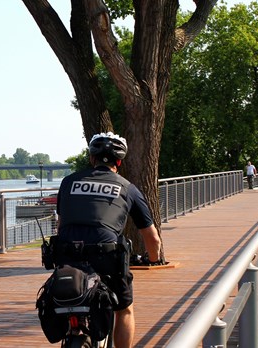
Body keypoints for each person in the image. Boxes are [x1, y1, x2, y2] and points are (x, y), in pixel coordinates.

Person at [55, 132, 163, 348]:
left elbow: (61, 224)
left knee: (69, 295)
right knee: (124, 308)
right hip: (107, 256)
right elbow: (152, 238)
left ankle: (73, 327)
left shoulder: (68, 182)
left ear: (91, 159)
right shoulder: (127, 188)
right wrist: (153, 260)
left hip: (67, 254)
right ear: (119, 162)